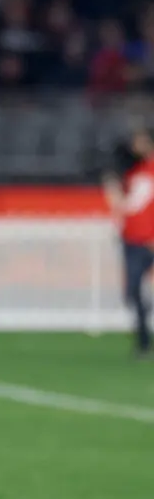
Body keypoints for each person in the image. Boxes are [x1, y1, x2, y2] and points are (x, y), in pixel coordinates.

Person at [103, 127, 154, 358]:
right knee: (131, 291)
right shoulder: (133, 173)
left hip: (148, 240)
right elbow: (125, 207)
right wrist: (112, 190)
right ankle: (143, 342)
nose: (136, 146)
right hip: (132, 240)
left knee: (135, 291)